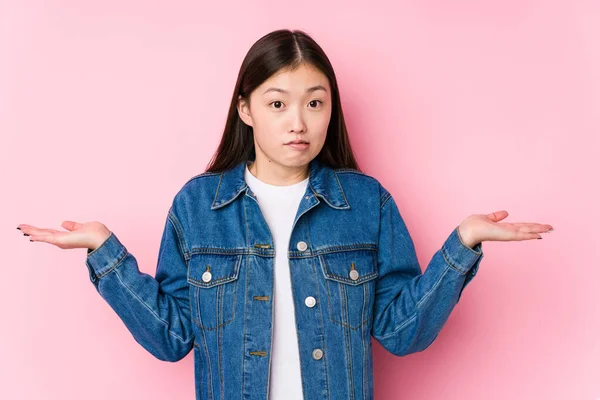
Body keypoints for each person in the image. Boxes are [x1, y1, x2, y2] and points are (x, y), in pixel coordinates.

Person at [17, 28, 553, 400]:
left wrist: (461, 248)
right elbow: (171, 337)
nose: (298, 121)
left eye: (315, 103)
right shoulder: (198, 206)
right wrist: (105, 255)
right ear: (246, 110)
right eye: (277, 103)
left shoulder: (366, 203)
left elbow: (400, 332)